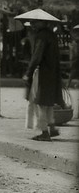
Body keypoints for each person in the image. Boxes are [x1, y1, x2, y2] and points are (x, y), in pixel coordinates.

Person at [23, 13, 63, 142]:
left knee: (38, 102)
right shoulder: (51, 35)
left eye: (35, 21)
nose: (32, 24)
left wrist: (28, 72)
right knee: (47, 103)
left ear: (43, 22)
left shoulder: (41, 36)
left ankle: (44, 132)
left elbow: (37, 57)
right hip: (52, 72)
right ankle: (51, 127)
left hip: (42, 73)